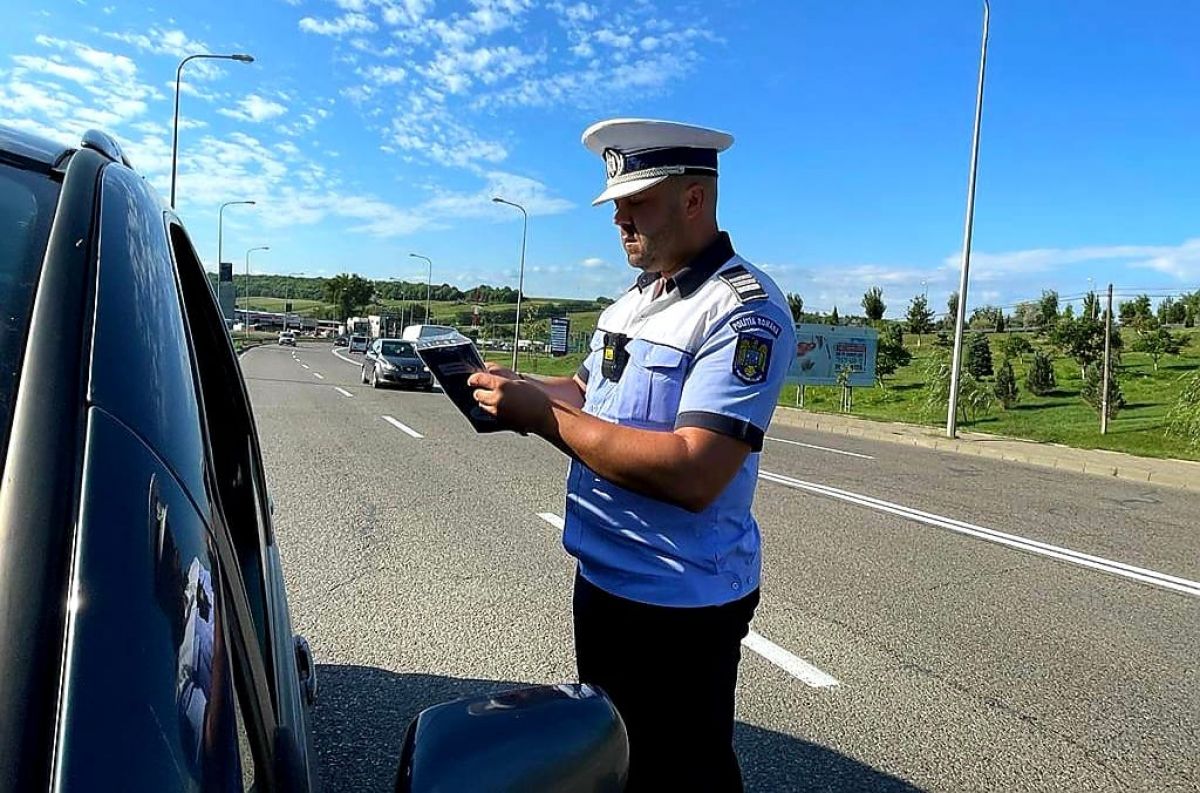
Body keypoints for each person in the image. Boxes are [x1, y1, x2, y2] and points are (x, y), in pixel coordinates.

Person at [468, 118, 796, 791]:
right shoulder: (635, 302)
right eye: (617, 203)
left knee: (681, 774)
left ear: (693, 200)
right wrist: (513, 386)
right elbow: (585, 391)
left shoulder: (742, 312)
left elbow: (695, 469)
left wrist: (543, 419)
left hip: (680, 604)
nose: (619, 218)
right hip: (605, 579)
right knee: (615, 761)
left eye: (636, 201)